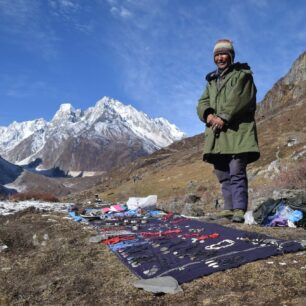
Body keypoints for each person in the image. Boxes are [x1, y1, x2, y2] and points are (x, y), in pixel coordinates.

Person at [197, 39, 260, 223]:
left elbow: (240, 98)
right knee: (223, 174)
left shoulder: (243, 75)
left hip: (237, 132)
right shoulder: (211, 81)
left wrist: (223, 116)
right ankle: (228, 209)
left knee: (236, 171)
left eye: (223, 54)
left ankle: (239, 209)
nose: (220, 58)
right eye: (217, 55)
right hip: (218, 135)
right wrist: (208, 115)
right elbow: (202, 101)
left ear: (230, 56)